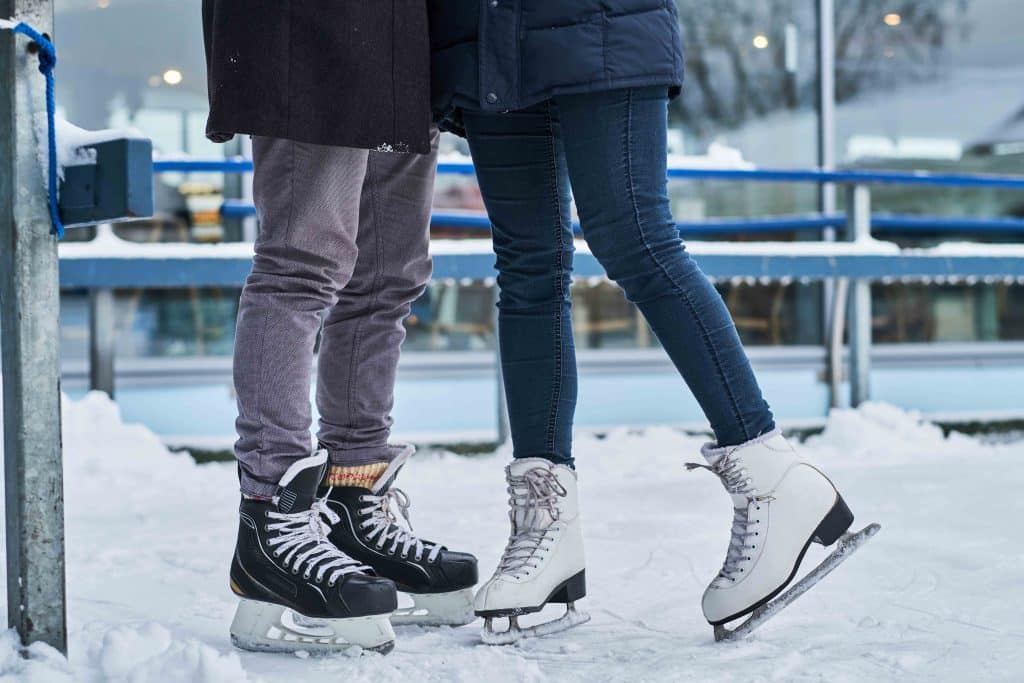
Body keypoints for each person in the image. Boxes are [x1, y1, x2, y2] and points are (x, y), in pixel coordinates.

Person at [429, 0, 861, 642]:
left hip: (599, 22)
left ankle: (772, 476)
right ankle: (547, 524)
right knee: (527, 268)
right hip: (486, 35)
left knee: (635, 237)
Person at [203, 0, 477, 654]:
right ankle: (274, 516)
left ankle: (352, 500)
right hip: (311, 27)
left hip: (404, 37)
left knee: (387, 278)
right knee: (302, 264)